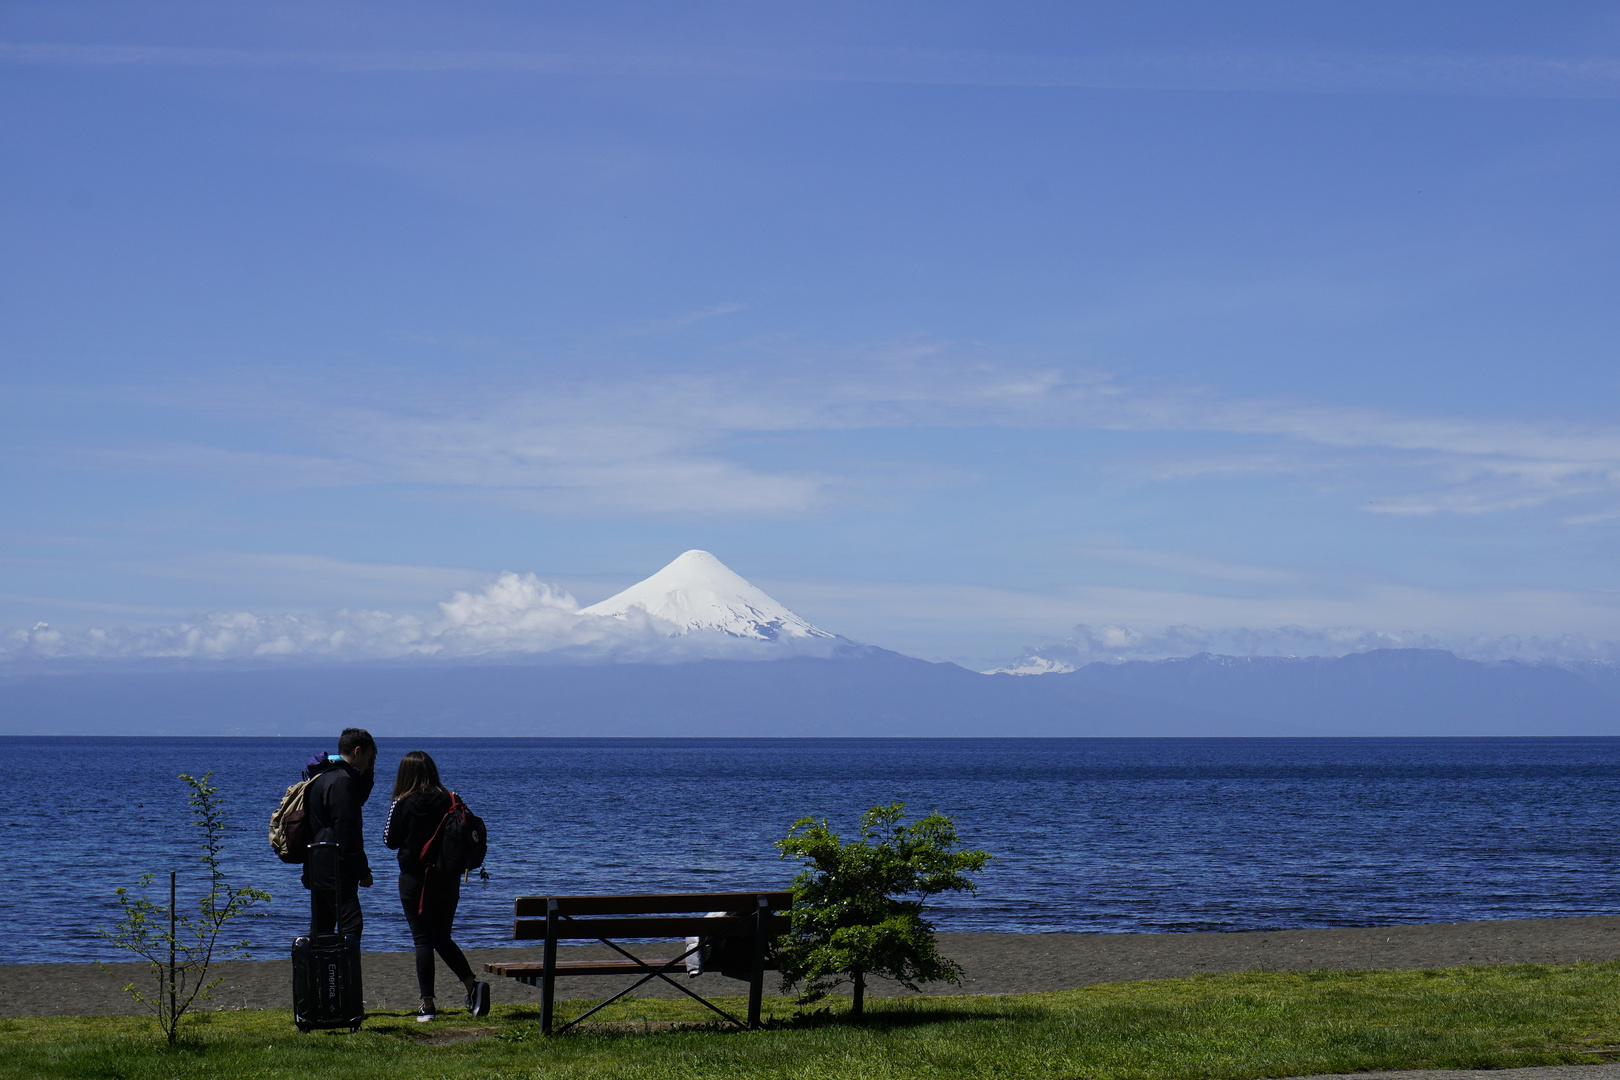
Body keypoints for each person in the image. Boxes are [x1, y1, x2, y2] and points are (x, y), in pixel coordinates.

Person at [383, 750, 490, 1022]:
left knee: (423, 940)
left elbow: (389, 840)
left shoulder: (402, 802)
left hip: (415, 879)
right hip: (447, 877)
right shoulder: (450, 799)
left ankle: (428, 1005)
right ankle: (472, 986)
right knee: (442, 936)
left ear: (404, 775)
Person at [302, 727, 377, 939]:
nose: (367, 764)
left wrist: (368, 771)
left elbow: (358, 798)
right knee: (352, 926)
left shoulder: (323, 775)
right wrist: (363, 871)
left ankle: (318, 972)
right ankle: (346, 972)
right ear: (358, 751)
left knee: (321, 931)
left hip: (318, 865)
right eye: (368, 758)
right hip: (336, 869)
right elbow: (347, 832)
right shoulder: (342, 782)